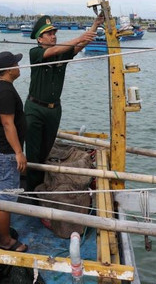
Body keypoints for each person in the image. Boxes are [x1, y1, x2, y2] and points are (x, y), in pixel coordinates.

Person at [25, 14, 103, 191]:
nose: (53, 35)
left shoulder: (62, 53)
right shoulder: (35, 52)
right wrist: (78, 37)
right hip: (35, 109)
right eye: (49, 33)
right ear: (39, 38)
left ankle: (41, 188)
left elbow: (80, 45)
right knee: (33, 154)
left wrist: (94, 26)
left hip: (54, 110)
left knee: (45, 152)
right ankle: (31, 193)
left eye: (54, 32)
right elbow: (53, 51)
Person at [0, 51, 28, 252]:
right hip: (4, 154)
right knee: (5, 198)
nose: (19, 67)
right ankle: (5, 240)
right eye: (16, 64)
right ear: (10, 69)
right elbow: (8, 124)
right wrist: (18, 152)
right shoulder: (6, 92)